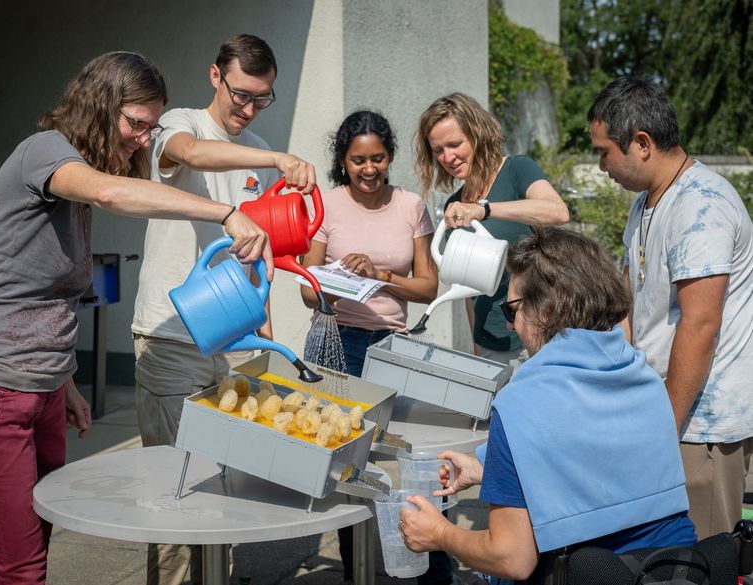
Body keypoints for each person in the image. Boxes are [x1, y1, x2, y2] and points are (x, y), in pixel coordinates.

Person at [0, 51, 272, 585]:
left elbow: (39, 293)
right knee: (17, 568)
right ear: (100, 104)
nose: (143, 138)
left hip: (42, 386)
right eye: (136, 124)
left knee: (35, 549)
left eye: (151, 127)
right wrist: (226, 212)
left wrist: (64, 381)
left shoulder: (74, 179)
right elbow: (114, 193)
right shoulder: (46, 152)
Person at [400, 227, 697, 583]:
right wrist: (490, 470)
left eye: (511, 310)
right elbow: (592, 469)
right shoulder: (645, 379)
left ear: (546, 311)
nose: (511, 328)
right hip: (670, 571)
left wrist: (439, 534)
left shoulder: (520, 403)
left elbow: (511, 558)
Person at [130, 34, 316, 585]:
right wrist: (276, 155)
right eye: (242, 95)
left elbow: (259, 264)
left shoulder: (254, 148)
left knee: (224, 488)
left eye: (263, 98)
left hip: (235, 342)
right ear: (216, 76)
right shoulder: (178, 124)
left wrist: (268, 342)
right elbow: (191, 154)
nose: (250, 109)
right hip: (173, 339)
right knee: (172, 492)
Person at [587, 76, 753, 539]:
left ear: (641, 143)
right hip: (662, 414)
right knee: (663, 559)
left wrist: (664, 427)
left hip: (701, 426)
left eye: (604, 151)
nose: (601, 165)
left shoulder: (702, 205)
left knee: (703, 558)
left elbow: (699, 326)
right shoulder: (645, 203)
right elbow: (630, 304)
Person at [299, 110, 440, 582]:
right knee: (347, 462)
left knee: (407, 457)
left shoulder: (411, 206)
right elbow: (306, 289)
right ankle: (356, 568)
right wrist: (341, 279)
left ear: (390, 157)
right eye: (358, 159)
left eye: (377, 158)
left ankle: (425, 564)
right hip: (339, 346)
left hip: (393, 346)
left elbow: (427, 288)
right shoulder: (327, 206)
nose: (368, 168)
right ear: (344, 159)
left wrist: (380, 276)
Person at [414, 92, 569, 364]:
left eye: (454, 144)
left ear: (477, 135)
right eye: (438, 150)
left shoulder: (516, 169)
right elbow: (468, 289)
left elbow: (557, 211)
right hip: (490, 343)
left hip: (539, 336)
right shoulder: (455, 204)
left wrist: (484, 209)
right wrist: (477, 348)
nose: (447, 157)